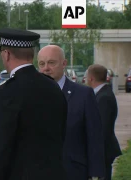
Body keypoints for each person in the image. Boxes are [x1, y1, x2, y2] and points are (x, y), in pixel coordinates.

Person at [0, 28, 67, 180]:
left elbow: (0, 147)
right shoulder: (53, 86)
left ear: (7, 54)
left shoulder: (7, 92)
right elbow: (60, 134)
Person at [38, 45, 105, 180]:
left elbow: (94, 137)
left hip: (73, 171)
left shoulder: (84, 94)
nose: (46, 68)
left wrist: (96, 173)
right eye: (41, 63)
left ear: (64, 64)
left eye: (51, 62)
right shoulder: (31, 95)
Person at [86, 64, 122, 180]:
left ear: (91, 78)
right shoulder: (101, 94)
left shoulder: (104, 97)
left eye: (87, 77)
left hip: (104, 149)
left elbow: (101, 127)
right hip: (102, 149)